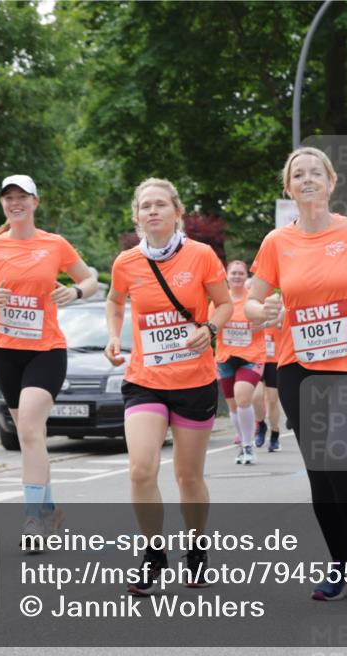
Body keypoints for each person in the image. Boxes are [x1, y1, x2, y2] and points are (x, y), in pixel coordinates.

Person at [245, 147, 347, 601]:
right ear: (288, 187)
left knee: (342, 457)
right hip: (298, 366)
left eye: (316, 172)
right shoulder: (276, 242)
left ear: (332, 182)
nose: (308, 179)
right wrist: (265, 309)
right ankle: (339, 562)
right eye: (299, 174)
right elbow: (254, 303)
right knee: (319, 470)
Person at [105, 177, 232, 594]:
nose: (152, 211)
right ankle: (153, 552)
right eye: (145, 206)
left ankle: (196, 550)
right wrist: (112, 335)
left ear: (177, 212)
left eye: (161, 204)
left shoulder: (201, 255)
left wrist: (210, 327)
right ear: (137, 216)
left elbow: (225, 302)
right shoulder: (126, 262)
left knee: (188, 476)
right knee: (141, 469)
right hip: (145, 379)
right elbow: (114, 300)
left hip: (194, 379)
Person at [0, 176, 98, 543]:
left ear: (35, 201)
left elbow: (90, 280)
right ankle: (50, 508)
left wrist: (74, 291)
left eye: (21, 196)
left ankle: (32, 519)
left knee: (27, 429)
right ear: (3, 205)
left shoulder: (54, 244)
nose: (15, 203)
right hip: (6, 352)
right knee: (32, 437)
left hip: (47, 350)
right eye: (8, 197)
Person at [210, 261, 266, 465]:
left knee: (243, 397)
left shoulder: (253, 299)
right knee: (233, 406)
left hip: (251, 356)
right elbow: (212, 327)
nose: (237, 276)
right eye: (233, 273)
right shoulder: (220, 301)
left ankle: (248, 446)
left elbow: (265, 321)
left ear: (245, 276)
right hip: (226, 357)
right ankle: (243, 440)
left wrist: (261, 323)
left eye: (241, 273)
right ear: (226, 275)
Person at [253, 302, 284, 452]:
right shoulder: (252, 308)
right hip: (256, 359)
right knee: (255, 396)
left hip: (274, 360)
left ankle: (275, 433)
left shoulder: (279, 308)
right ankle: (261, 424)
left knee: (272, 401)